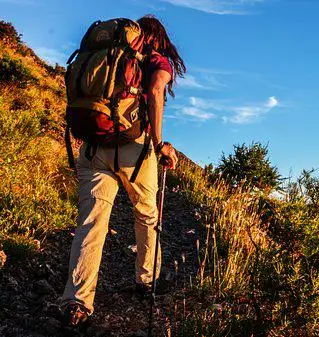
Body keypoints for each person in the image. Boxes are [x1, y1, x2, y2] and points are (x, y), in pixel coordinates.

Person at [61, 15, 185, 327]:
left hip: (92, 144)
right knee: (146, 215)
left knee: (91, 223)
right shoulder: (156, 59)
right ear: (160, 38)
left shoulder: (106, 54)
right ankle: (147, 280)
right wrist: (160, 144)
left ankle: (77, 303)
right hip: (133, 148)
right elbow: (156, 90)